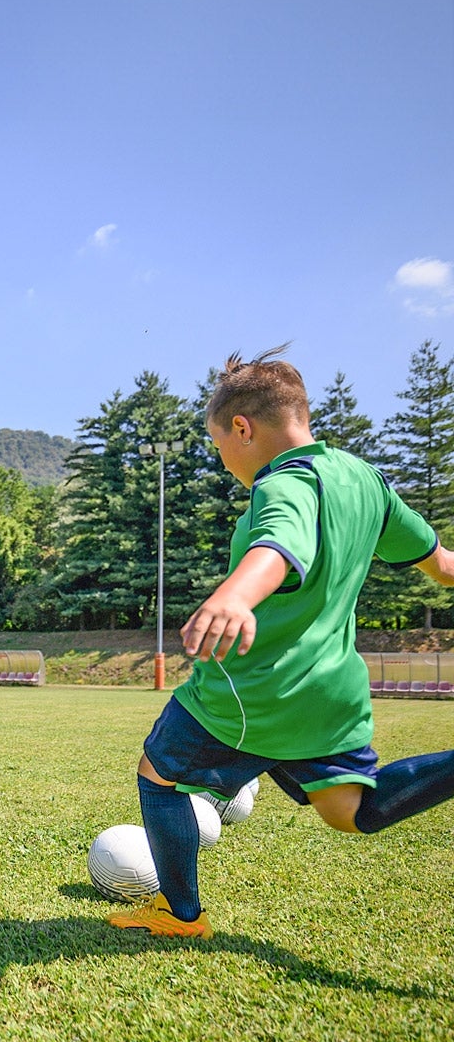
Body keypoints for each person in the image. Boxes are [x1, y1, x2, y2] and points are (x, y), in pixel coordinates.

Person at [111, 348, 454, 938]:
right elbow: (443, 565)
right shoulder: (365, 479)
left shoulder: (284, 483)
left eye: (219, 443)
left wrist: (236, 595)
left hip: (251, 694)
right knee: (352, 813)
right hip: (330, 697)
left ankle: (180, 913)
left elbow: (279, 544)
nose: (223, 460)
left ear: (242, 427)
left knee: (157, 775)